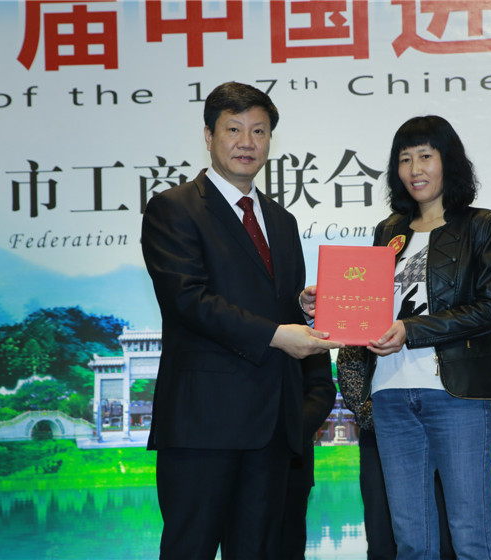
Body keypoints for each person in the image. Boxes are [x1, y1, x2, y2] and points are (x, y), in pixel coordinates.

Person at [141, 81, 342, 559]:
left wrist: (303, 307)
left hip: (271, 427)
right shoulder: (173, 208)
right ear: (208, 136)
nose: (246, 142)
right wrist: (276, 334)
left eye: (259, 131)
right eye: (233, 129)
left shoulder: (282, 221)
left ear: (271, 139)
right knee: (189, 548)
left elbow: (276, 306)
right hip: (203, 422)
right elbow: (188, 299)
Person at [359, 115, 491, 560]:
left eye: (425, 156)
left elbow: (490, 309)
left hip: (456, 392)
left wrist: (412, 330)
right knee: (412, 541)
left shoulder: (484, 225)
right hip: (390, 393)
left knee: (470, 536)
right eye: (405, 159)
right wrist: (328, 302)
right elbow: (372, 305)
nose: (415, 169)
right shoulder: (389, 231)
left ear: (449, 162)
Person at [337, 346, 456, 560]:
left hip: (442, 428)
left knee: (447, 535)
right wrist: (385, 418)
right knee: (383, 536)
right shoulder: (366, 325)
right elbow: (350, 365)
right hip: (379, 433)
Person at [277, 352, 337, 559]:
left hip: (292, 457)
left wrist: (289, 437)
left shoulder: (309, 332)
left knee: (289, 544)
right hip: (232, 453)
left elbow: (320, 388)